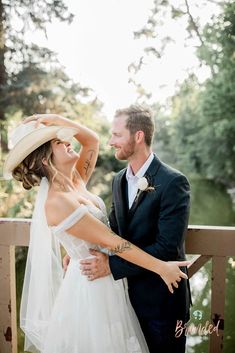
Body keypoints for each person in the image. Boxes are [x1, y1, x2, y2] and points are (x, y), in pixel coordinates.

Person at [3, 113, 189, 353]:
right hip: (92, 287)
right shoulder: (58, 202)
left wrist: (55, 118)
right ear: (46, 160)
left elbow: (91, 141)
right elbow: (113, 242)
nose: (68, 141)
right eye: (58, 143)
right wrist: (161, 266)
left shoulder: (77, 180)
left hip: (109, 276)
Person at [78, 105, 191, 353]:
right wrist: (79, 252)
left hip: (162, 305)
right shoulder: (118, 180)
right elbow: (111, 231)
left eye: (117, 135)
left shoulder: (173, 182)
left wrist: (111, 266)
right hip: (124, 301)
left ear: (138, 136)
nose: (110, 142)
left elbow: (166, 248)